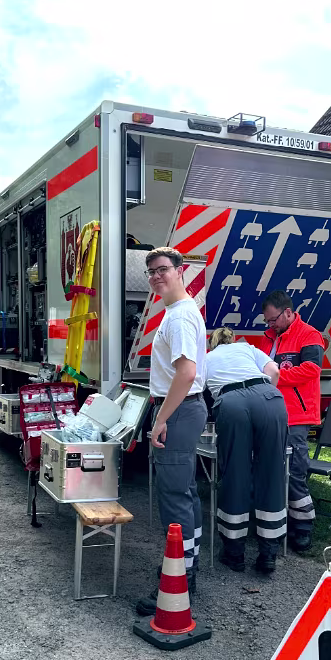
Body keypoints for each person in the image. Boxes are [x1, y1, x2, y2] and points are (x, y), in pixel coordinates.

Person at [136, 247, 207, 616]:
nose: (156, 277)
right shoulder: (180, 311)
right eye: (151, 272)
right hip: (184, 408)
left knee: (175, 496)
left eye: (162, 269)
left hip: (178, 410)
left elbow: (187, 373)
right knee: (186, 492)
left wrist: (161, 418)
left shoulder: (179, 317)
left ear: (180, 270)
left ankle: (180, 578)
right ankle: (186, 566)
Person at [205, 328, 288, 574]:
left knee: (235, 473)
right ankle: (268, 554)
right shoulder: (248, 348)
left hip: (232, 403)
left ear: (212, 344)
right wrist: (263, 397)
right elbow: (274, 372)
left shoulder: (207, 358)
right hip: (269, 397)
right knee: (272, 473)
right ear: (232, 339)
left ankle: (234, 553)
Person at [260, 290, 325, 552]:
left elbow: (311, 370)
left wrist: (274, 377)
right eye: (267, 321)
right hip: (272, 413)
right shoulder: (268, 338)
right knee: (273, 471)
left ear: (288, 312)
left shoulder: (309, 335)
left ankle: (303, 527)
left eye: (273, 319)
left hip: (296, 416)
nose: (270, 325)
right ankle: (278, 523)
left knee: (295, 472)